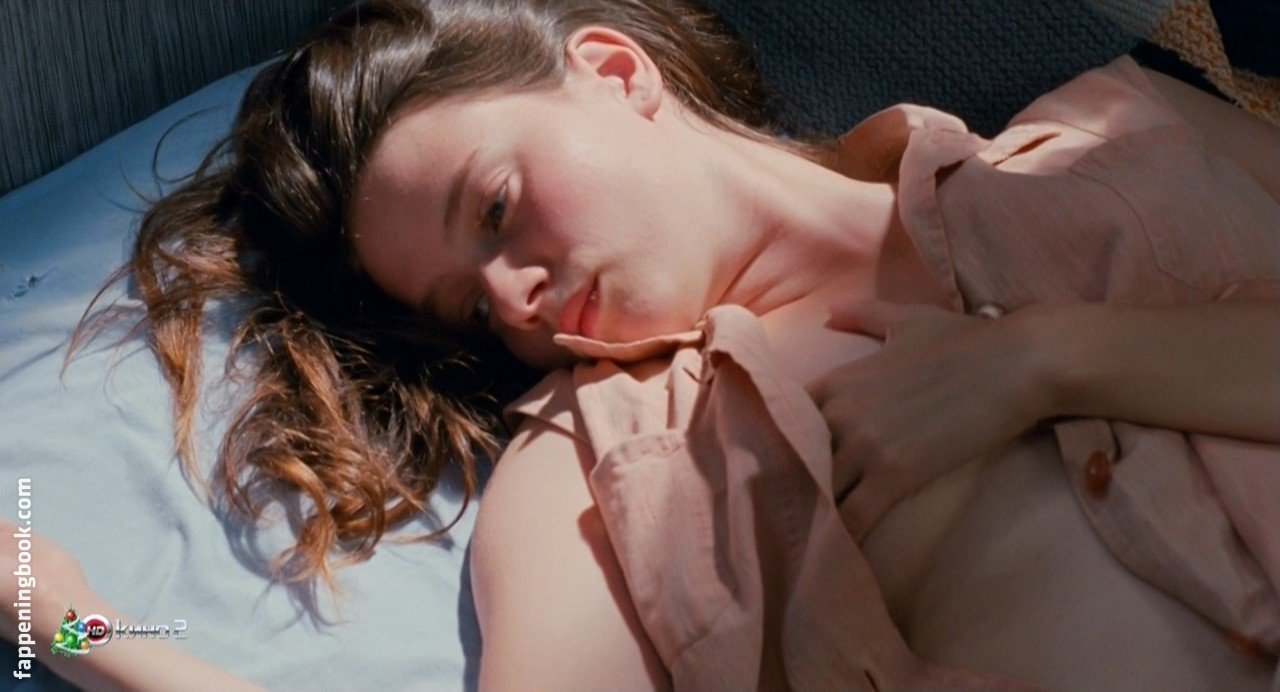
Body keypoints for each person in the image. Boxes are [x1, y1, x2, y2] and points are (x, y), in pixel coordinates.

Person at [3, 0, 1278, 688]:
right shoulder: (597, 459)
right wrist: (74, 628)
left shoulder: (1116, 127)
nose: (516, 298)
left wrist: (1046, 357)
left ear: (613, 70)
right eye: (469, 308)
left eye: (495, 210)